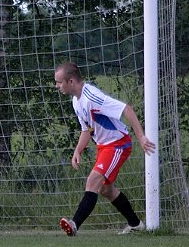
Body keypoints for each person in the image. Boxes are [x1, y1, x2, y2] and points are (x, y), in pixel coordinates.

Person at [54, 61, 156, 235]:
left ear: (71, 81)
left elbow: (127, 109)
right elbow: (87, 129)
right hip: (104, 147)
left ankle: (74, 224)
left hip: (118, 144)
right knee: (105, 189)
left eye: (59, 82)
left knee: (92, 181)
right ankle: (136, 224)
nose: (57, 86)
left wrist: (141, 137)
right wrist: (78, 150)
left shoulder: (92, 97)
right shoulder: (76, 101)